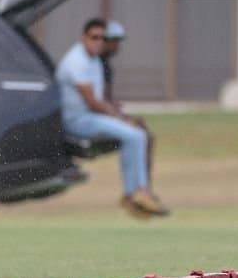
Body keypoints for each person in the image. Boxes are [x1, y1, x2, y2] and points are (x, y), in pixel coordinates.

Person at [57, 18, 169, 218]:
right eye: (94, 37)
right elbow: (94, 102)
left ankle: (137, 193)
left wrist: (120, 115)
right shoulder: (78, 61)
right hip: (77, 120)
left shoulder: (94, 60)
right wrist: (122, 119)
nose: (99, 41)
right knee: (135, 136)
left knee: (136, 135)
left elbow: (103, 99)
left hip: (89, 116)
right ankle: (137, 193)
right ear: (83, 37)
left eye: (103, 38)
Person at [99, 20, 158, 180]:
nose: (117, 46)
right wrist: (120, 117)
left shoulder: (104, 64)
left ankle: (142, 185)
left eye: (118, 41)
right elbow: (99, 99)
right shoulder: (96, 64)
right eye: (114, 41)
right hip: (97, 116)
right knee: (141, 135)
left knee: (143, 130)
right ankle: (139, 187)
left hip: (106, 113)